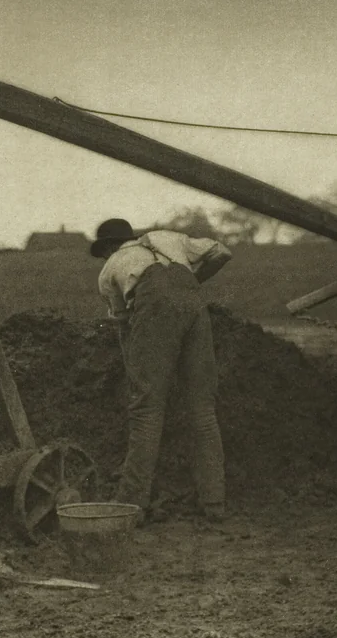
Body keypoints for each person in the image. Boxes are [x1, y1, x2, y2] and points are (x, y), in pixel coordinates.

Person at [91, 218, 232, 524]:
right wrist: (188, 285)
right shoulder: (168, 238)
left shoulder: (110, 268)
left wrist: (136, 372)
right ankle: (214, 502)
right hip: (194, 306)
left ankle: (131, 504)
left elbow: (124, 324)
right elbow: (221, 252)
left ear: (108, 247)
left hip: (153, 311)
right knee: (203, 409)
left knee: (147, 410)